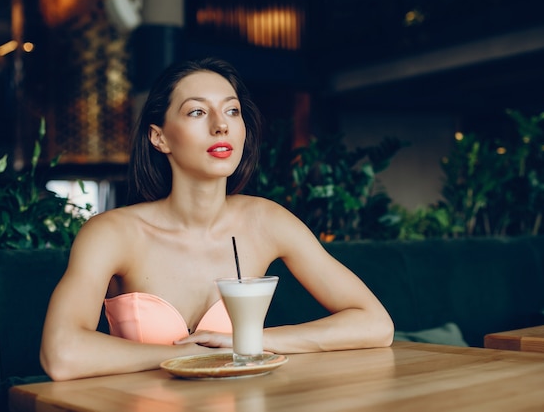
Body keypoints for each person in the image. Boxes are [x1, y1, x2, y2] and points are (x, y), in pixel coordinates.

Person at [40, 57, 394, 381]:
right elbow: (62, 354)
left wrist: (247, 342)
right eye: (197, 112)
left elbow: (375, 325)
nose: (221, 126)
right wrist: (191, 355)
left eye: (232, 111)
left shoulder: (266, 221)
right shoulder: (111, 234)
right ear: (159, 137)